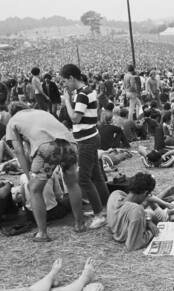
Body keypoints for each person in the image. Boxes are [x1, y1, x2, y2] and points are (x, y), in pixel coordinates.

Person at [6, 103, 86, 241]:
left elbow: (18, 151)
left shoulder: (13, 121)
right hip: (70, 143)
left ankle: (42, 233)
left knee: (34, 189)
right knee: (72, 184)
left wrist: (28, 175)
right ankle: (80, 224)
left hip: (47, 147)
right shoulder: (42, 112)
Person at [61, 64, 109, 230]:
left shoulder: (82, 94)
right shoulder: (88, 90)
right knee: (96, 175)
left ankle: (99, 214)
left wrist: (67, 101)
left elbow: (75, 118)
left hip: (86, 140)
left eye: (65, 81)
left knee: (83, 179)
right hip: (91, 136)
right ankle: (105, 208)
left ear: (72, 78)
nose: (65, 84)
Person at [106, 172, 159, 251]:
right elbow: (133, 245)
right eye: (149, 195)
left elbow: (128, 208)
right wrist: (151, 232)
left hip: (117, 228)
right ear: (145, 193)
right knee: (152, 215)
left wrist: (148, 222)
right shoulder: (136, 210)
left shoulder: (115, 194)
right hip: (126, 231)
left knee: (149, 213)